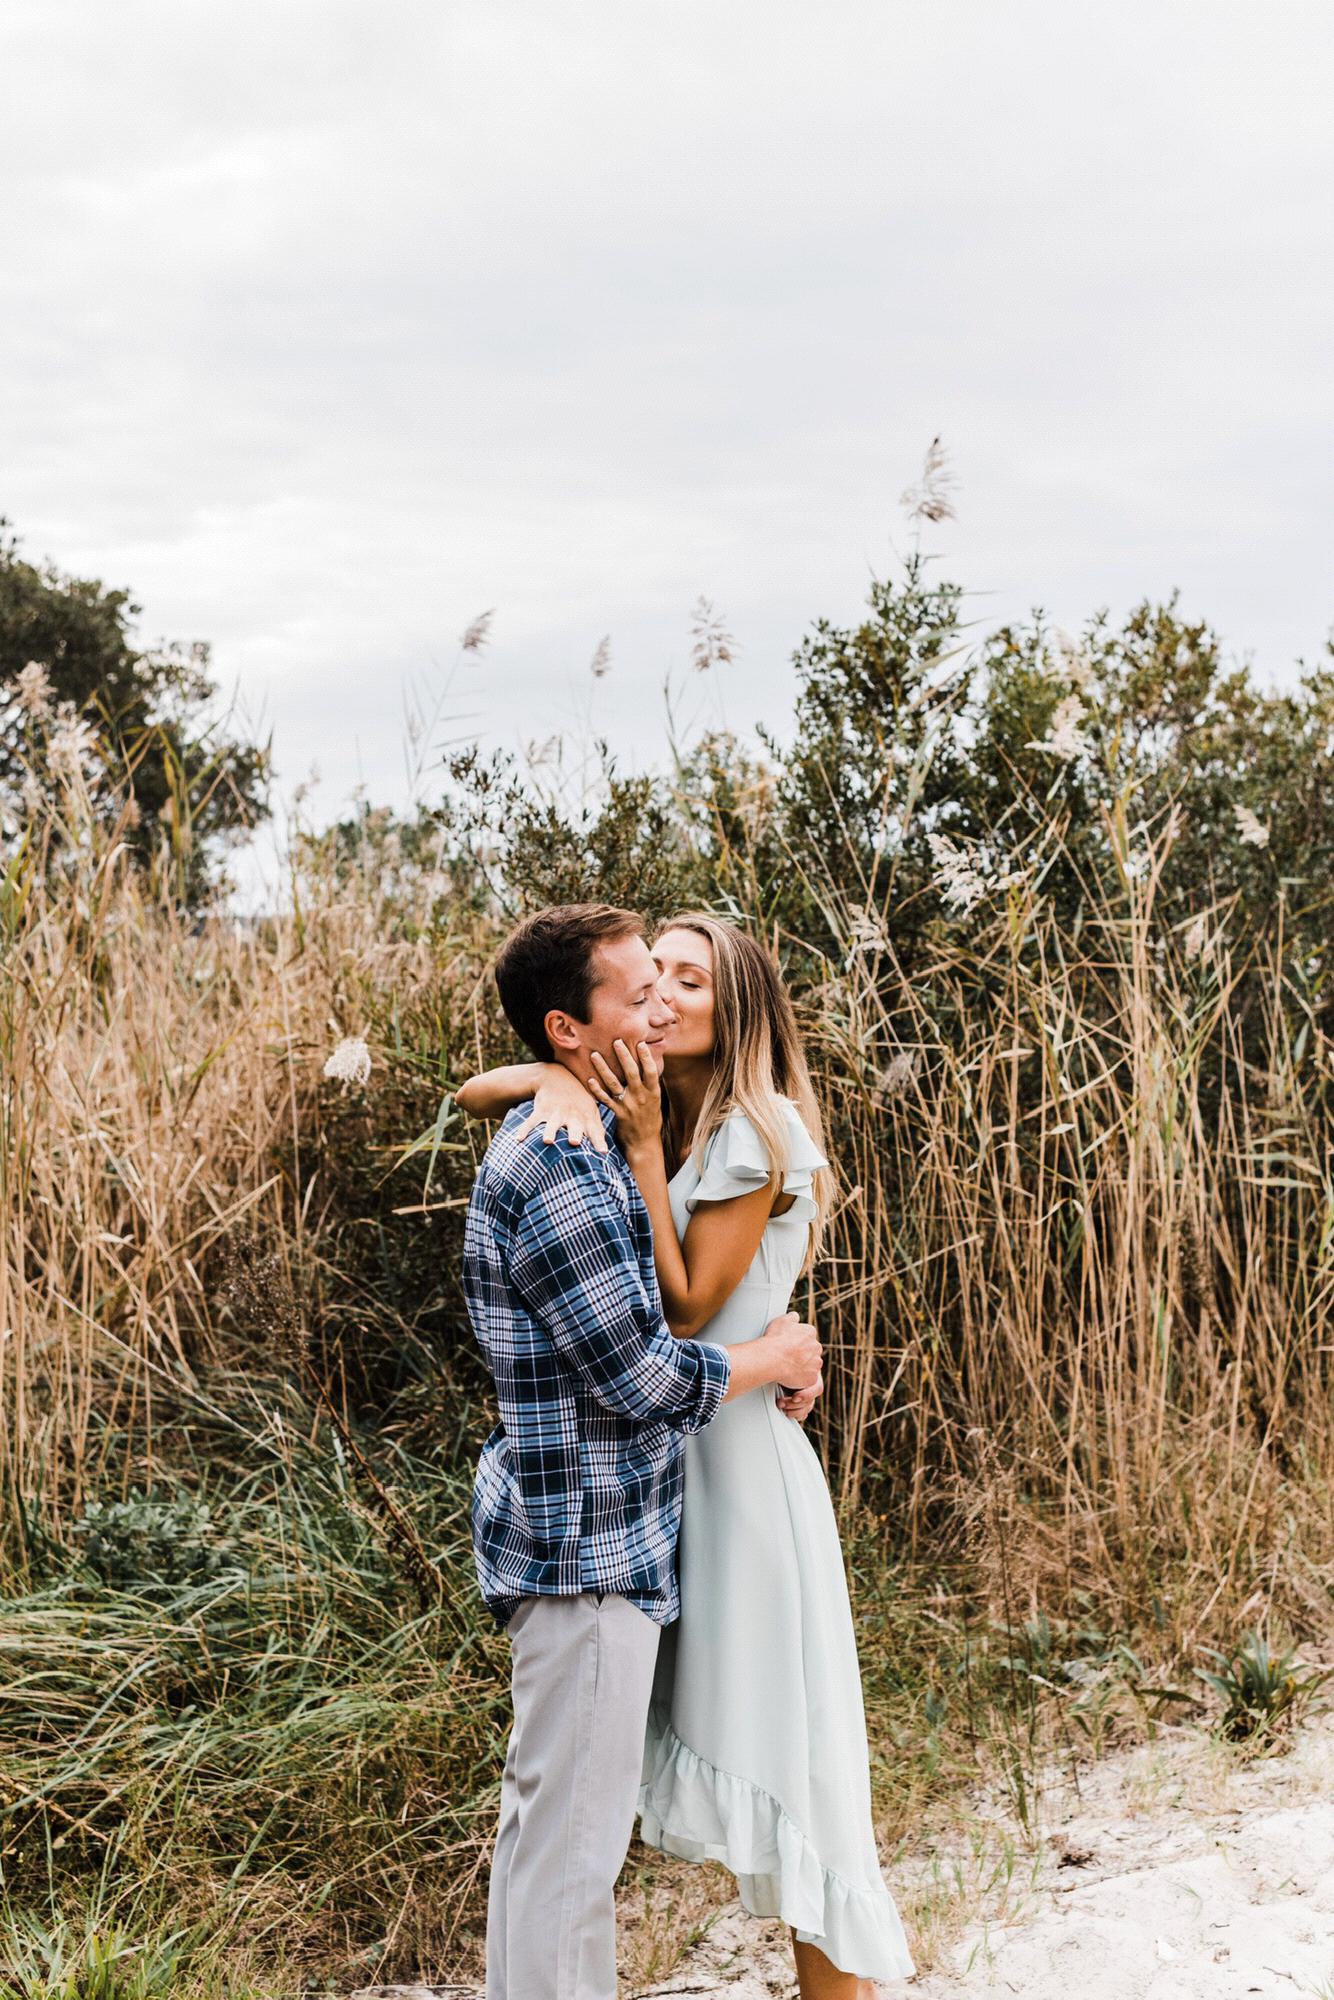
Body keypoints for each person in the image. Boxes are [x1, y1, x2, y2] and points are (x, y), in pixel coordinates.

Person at [458, 910, 915, 1998]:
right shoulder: (620, 1111)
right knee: (575, 1805)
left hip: (727, 1471)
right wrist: (558, 1082)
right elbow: (476, 1086)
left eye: (687, 979)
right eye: (648, 975)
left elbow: (683, 1305)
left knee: (794, 1768)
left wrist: (767, 1347)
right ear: (581, 1027)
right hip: (657, 1474)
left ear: (738, 1006)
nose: (661, 994)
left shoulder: (739, 1128)